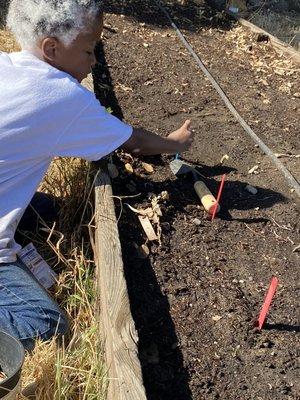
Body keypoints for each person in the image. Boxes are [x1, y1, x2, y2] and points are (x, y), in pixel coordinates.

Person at [0, 0, 193, 351]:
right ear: (52, 48)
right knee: (46, 328)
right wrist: (174, 141)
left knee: (47, 212)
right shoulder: (62, 96)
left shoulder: (6, 65)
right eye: (89, 51)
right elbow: (132, 140)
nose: (92, 63)